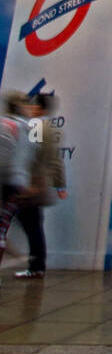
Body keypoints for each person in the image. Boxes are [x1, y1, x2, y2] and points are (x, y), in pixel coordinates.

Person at [12, 93, 67, 279]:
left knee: (31, 226)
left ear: (39, 108)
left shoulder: (36, 126)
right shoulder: (49, 128)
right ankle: (36, 265)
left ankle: (35, 266)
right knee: (34, 225)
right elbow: (55, 161)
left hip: (30, 184)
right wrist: (60, 185)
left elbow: (30, 155)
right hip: (39, 184)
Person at [0, 94, 31, 278]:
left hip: (6, 180)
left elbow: (3, 156)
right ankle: (20, 256)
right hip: (20, 182)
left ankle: (20, 257)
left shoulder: (5, 124)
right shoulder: (30, 127)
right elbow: (35, 154)